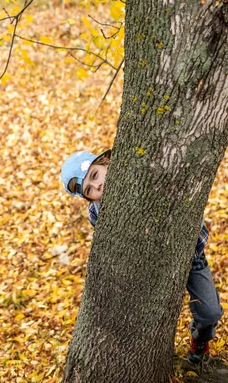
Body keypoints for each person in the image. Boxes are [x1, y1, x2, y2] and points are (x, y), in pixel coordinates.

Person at [60, 149, 224, 366]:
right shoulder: (97, 212)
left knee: (210, 311)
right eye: (90, 190)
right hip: (149, 267)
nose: (98, 186)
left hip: (189, 255)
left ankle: (201, 338)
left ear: (107, 162)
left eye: (95, 175)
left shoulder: (143, 177)